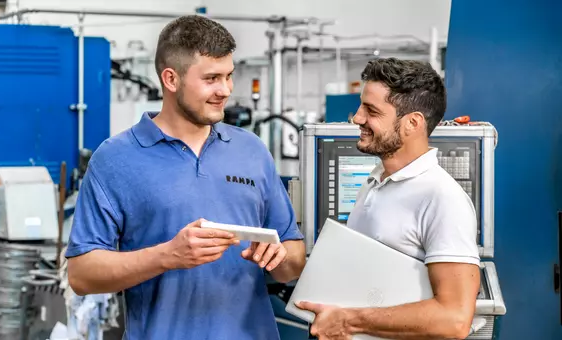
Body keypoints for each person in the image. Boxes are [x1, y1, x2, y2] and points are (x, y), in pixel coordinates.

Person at [65, 15, 306, 340]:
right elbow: (82, 275)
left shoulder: (252, 150)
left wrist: (280, 257)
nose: (225, 90)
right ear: (171, 79)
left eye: (229, 76)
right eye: (211, 78)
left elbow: (294, 256)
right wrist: (166, 256)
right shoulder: (114, 159)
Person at [296, 58, 480, 340]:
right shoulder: (375, 181)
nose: (357, 118)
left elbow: (454, 320)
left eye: (371, 111)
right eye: (361, 107)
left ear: (412, 123)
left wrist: (348, 321)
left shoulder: (442, 198)